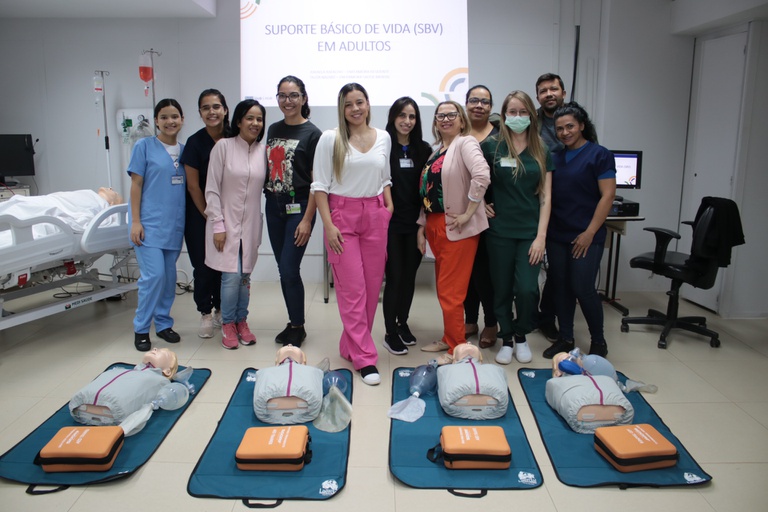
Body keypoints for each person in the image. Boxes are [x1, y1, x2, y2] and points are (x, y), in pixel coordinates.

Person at [311, 83, 393, 386]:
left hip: (375, 215)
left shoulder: (383, 137)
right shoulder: (330, 139)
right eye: (349, 104)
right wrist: (329, 224)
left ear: (368, 104)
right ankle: (364, 357)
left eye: (360, 102)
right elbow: (319, 185)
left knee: (372, 291)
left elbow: (384, 177)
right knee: (352, 290)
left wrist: (388, 207)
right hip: (341, 217)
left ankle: (350, 345)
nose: (356, 109)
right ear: (341, 109)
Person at [482, 91, 553, 365]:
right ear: (503, 115)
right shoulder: (492, 147)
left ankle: (522, 333)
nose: (518, 117)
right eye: (512, 112)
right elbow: (475, 181)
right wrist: (480, 206)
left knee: (526, 289)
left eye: (523, 112)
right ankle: (507, 338)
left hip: (530, 233)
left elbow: (546, 196)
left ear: (532, 116)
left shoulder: (542, 149)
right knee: (501, 289)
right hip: (499, 231)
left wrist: (541, 237)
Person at [417, 101, 490, 365]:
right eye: (440, 116)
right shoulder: (436, 151)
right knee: (444, 288)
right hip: (436, 225)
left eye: (451, 115)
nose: (445, 119)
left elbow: (482, 175)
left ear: (461, 119)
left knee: (452, 291)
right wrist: (422, 226)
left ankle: (457, 348)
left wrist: (470, 212)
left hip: (457, 226)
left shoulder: (465, 143)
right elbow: (426, 192)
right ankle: (450, 337)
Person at [543, 101, 615, 359]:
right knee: (560, 286)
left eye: (570, 126)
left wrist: (589, 233)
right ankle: (565, 337)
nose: (565, 132)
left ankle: (598, 340)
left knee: (582, 288)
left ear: (582, 126)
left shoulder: (599, 154)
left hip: (586, 235)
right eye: (560, 128)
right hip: (558, 235)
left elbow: (607, 196)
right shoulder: (555, 157)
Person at [205, 99, 268, 350]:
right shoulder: (223, 147)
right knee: (231, 277)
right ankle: (228, 323)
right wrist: (218, 226)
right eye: (250, 118)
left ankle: (242, 321)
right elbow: (211, 189)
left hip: (251, 226)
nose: (255, 123)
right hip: (226, 225)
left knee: (244, 277)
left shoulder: (263, 152)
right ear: (239, 120)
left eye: (259, 119)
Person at [265, 76, 322, 348]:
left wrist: (308, 220)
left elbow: (317, 182)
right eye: (283, 95)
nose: (288, 101)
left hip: (299, 206)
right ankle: (293, 321)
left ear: (304, 98)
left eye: (294, 95)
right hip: (273, 205)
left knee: (289, 267)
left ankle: (298, 326)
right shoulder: (273, 129)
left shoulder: (313, 134)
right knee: (283, 268)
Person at [128, 99, 186, 352]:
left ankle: (162, 323)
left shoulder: (185, 151)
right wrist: (136, 221)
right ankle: (141, 328)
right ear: (156, 121)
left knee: (169, 277)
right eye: (164, 117)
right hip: (148, 225)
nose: (170, 121)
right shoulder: (144, 146)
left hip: (174, 226)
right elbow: (136, 185)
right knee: (154, 277)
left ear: (182, 119)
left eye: (174, 116)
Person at [381, 97, 431, 356]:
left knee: (409, 277)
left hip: (415, 224)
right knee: (396, 277)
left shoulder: (423, 149)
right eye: (402, 115)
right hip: (390, 224)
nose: (407, 121)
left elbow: (428, 190)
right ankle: (390, 332)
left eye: (412, 117)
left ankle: (402, 322)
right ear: (393, 117)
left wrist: (423, 224)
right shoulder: (382, 147)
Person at [180, 89, 230, 339]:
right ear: (200, 113)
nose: (212, 111)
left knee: (226, 265)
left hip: (229, 213)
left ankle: (223, 309)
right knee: (203, 266)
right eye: (206, 107)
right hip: (200, 215)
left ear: (225, 110)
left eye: (216, 106)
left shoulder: (234, 137)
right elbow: (193, 186)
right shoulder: (194, 142)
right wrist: (210, 216)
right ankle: (205, 312)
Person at [462, 85, 498, 348]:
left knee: (486, 273)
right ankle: (470, 320)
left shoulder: (501, 138)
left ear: (491, 107)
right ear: (466, 104)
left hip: (491, 214)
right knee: (467, 271)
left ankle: (491, 322)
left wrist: (485, 202)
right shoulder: (459, 134)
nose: (479, 105)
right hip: (464, 212)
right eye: (474, 100)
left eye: (484, 101)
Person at [535, 73, 568, 342]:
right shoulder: (530, 121)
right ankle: (525, 313)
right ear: (538, 96)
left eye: (553, 89)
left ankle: (547, 316)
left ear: (563, 92)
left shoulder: (575, 121)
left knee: (557, 268)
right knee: (528, 264)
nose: (549, 94)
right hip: (533, 199)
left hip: (566, 201)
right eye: (544, 90)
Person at [69, 348, 179, 425]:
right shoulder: (120, 370)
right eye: (155, 349)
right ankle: (93, 410)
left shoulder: (159, 381)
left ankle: (94, 410)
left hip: (113, 409)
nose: (155, 349)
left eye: (162, 353)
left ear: (167, 371)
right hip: (84, 401)